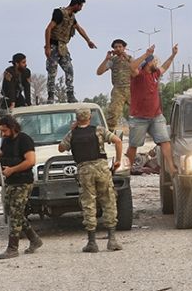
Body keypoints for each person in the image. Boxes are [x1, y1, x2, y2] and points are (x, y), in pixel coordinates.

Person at [58, 108, 123, 252]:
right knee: (108, 200)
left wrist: (72, 130)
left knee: (88, 203)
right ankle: (112, 240)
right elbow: (118, 141)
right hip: (101, 168)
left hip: (84, 170)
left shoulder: (72, 134)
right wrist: (118, 160)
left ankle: (92, 242)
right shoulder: (98, 130)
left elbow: (61, 148)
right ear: (90, 117)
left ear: (77, 118)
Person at [0, 115, 42, 259]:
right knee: (12, 212)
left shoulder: (25, 140)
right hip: (11, 182)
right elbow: (5, 155)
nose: (3, 134)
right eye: (1, 131)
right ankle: (34, 239)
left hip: (23, 182)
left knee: (15, 215)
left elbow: (31, 161)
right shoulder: (6, 141)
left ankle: (12, 248)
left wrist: (12, 169)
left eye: (5, 130)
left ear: (13, 128)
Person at [128, 44, 178, 176]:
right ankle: (126, 170)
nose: (157, 62)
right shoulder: (138, 75)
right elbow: (132, 67)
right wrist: (146, 54)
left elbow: (165, 66)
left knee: (165, 141)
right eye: (154, 60)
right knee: (133, 145)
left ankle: (171, 167)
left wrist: (173, 55)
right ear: (147, 63)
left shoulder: (155, 74)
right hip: (139, 117)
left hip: (156, 116)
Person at [44, 0, 97, 104]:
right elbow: (48, 29)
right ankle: (50, 96)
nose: (81, 9)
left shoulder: (72, 17)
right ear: (76, 5)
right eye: (80, 6)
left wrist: (88, 40)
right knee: (52, 72)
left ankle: (70, 94)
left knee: (69, 70)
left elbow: (79, 28)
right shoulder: (59, 13)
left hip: (63, 47)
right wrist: (48, 47)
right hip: (54, 46)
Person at [96, 39, 132, 130]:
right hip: (118, 90)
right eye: (116, 47)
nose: (118, 49)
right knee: (113, 113)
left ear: (124, 48)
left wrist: (127, 58)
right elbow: (99, 72)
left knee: (139, 111)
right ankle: (109, 133)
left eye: (120, 47)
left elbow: (138, 71)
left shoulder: (131, 59)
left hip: (131, 89)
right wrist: (106, 59)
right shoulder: (112, 60)